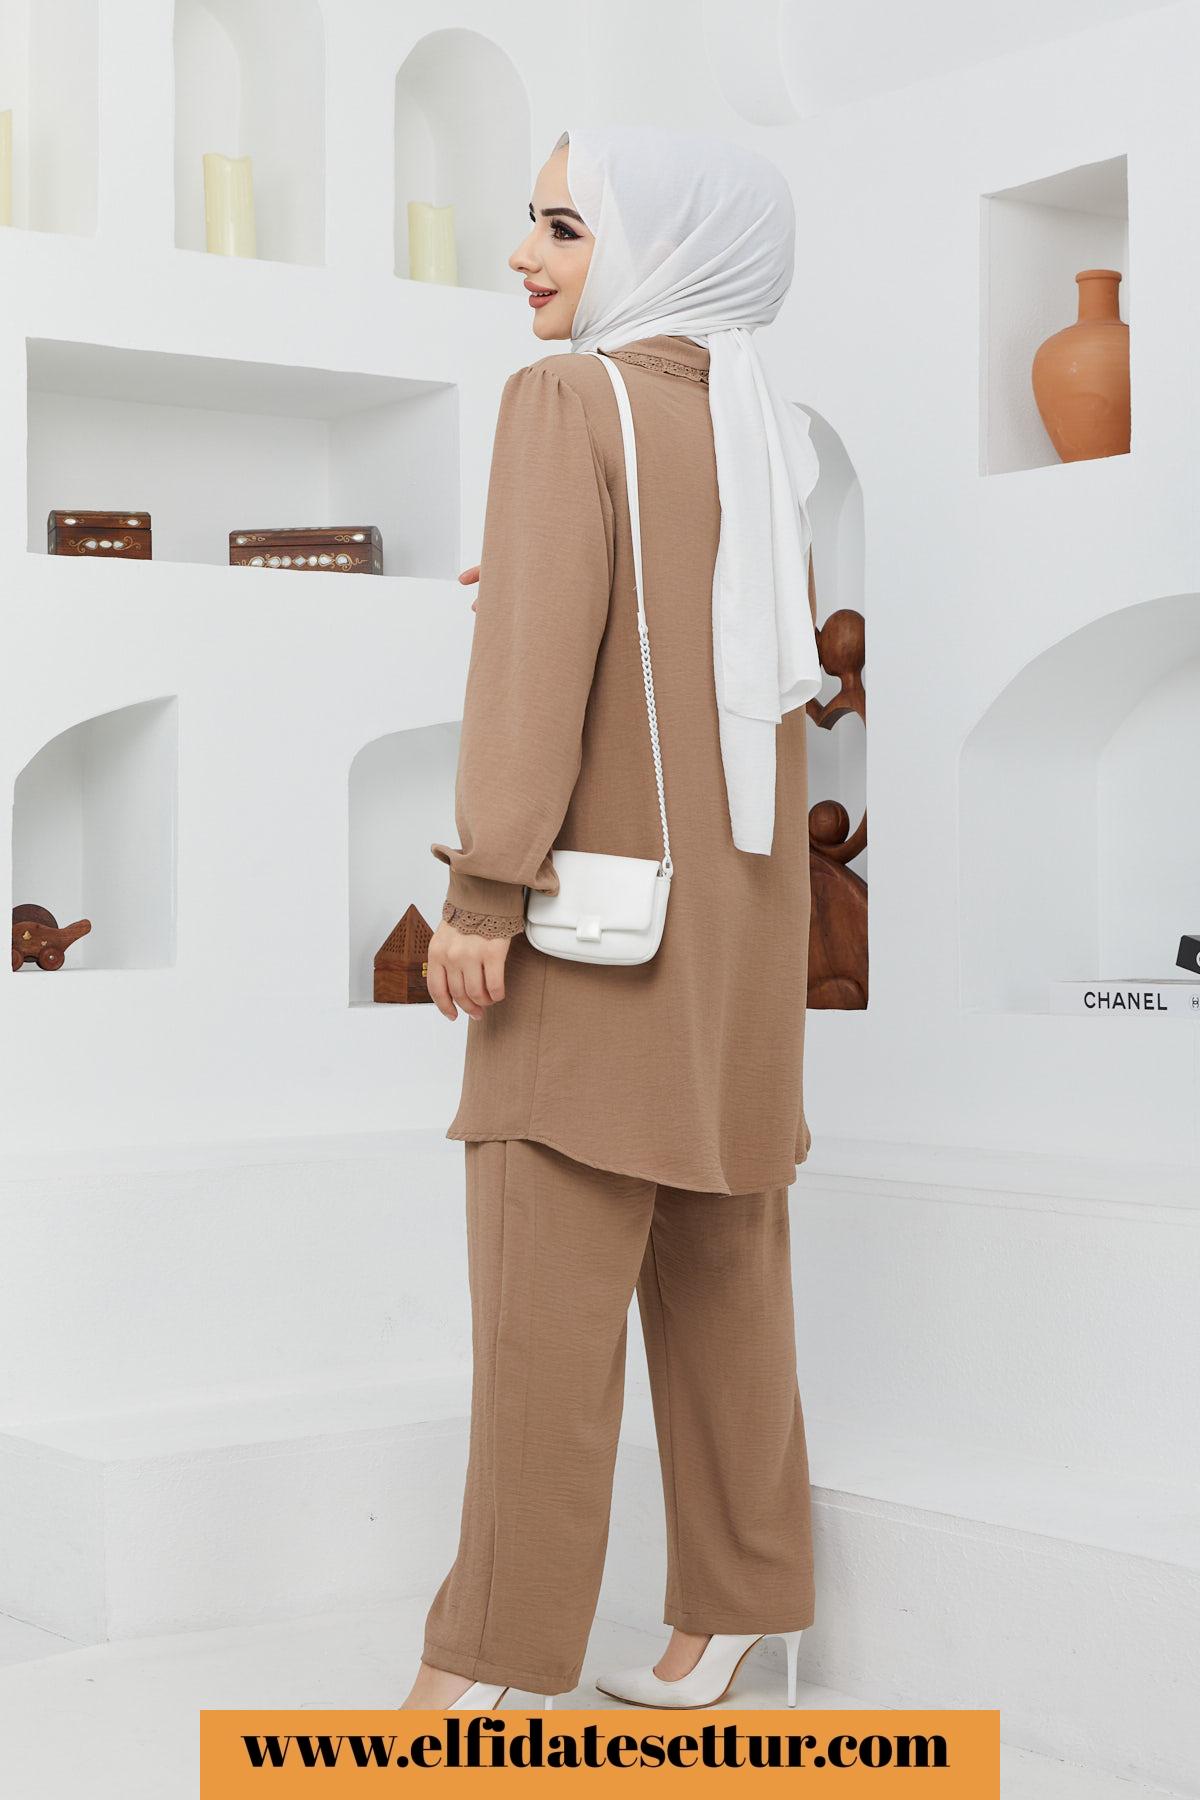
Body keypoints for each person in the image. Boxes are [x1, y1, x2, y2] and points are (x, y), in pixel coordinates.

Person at [400, 123, 823, 1711]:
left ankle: (487, 1671)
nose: (525, 254)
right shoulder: (758, 427)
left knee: (542, 1314)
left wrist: (480, 891)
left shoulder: (567, 404)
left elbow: (536, 683)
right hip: (740, 950)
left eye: (565, 227)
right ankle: (739, 1613)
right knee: (727, 1285)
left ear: (656, 250)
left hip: (593, 940)